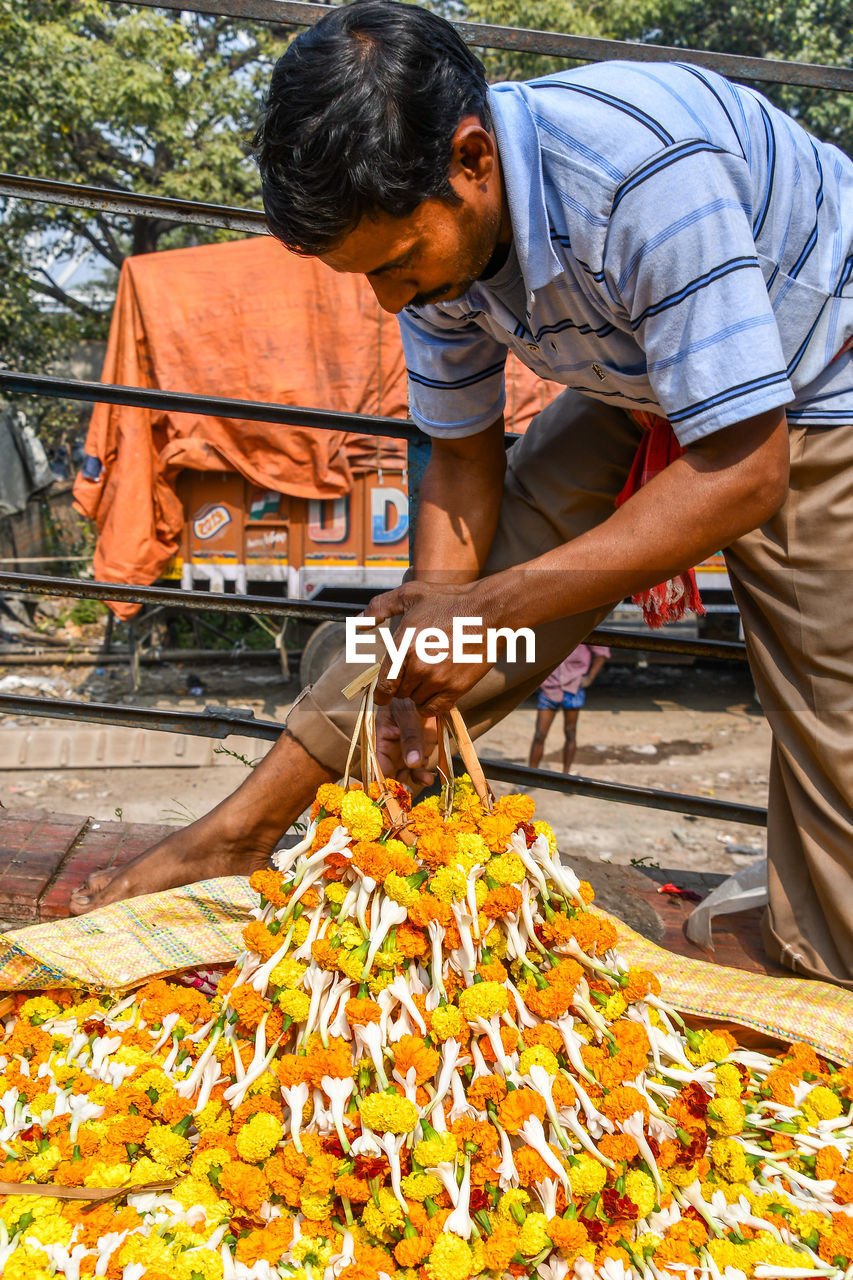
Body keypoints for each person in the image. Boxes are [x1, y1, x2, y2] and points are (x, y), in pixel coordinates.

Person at [70, 2, 853, 991]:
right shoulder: (434, 244)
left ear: (473, 159)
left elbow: (744, 469)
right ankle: (241, 828)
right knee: (430, 623)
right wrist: (440, 623)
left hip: (816, 378)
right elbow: (463, 456)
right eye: (367, 278)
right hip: (641, 371)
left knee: (833, 699)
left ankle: (814, 941)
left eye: (398, 266)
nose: (391, 301)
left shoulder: (642, 175)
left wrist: (497, 607)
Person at [529, 645, 609, 773]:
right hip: (550, 686)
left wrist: (590, 678)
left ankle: (565, 775)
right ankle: (529, 777)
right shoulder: (551, 626)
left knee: (570, 732)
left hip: (573, 687)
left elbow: (602, 653)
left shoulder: (582, 627)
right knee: (540, 734)